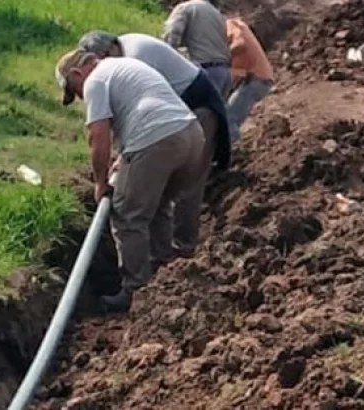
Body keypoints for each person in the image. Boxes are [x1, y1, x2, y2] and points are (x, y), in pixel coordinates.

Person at [55, 49, 209, 312]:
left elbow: (98, 135)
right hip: (191, 135)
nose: (81, 98)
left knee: (127, 214)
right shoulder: (124, 66)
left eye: (75, 91)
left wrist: (100, 182)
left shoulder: (95, 80)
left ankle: (136, 291)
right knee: (159, 204)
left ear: (77, 73)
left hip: (159, 139)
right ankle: (165, 275)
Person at [77, 30, 231, 258]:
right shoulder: (124, 53)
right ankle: (165, 261)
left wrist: (126, 160)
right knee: (159, 198)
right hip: (180, 119)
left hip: (197, 110)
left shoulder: (133, 57)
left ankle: (183, 253)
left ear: (107, 51)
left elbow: (147, 111)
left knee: (185, 191)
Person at [162, 0, 232, 98]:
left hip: (204, 72)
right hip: (224, 73)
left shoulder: (184, 8)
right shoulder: (217, 13)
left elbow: (170, 40)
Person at [225, 16, 274, 142]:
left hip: (256, 79)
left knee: (229, 119)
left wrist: (221, 59)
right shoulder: (230, 33)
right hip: (255, 78)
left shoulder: (230, 24)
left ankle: (231, 155)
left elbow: (240, 44)